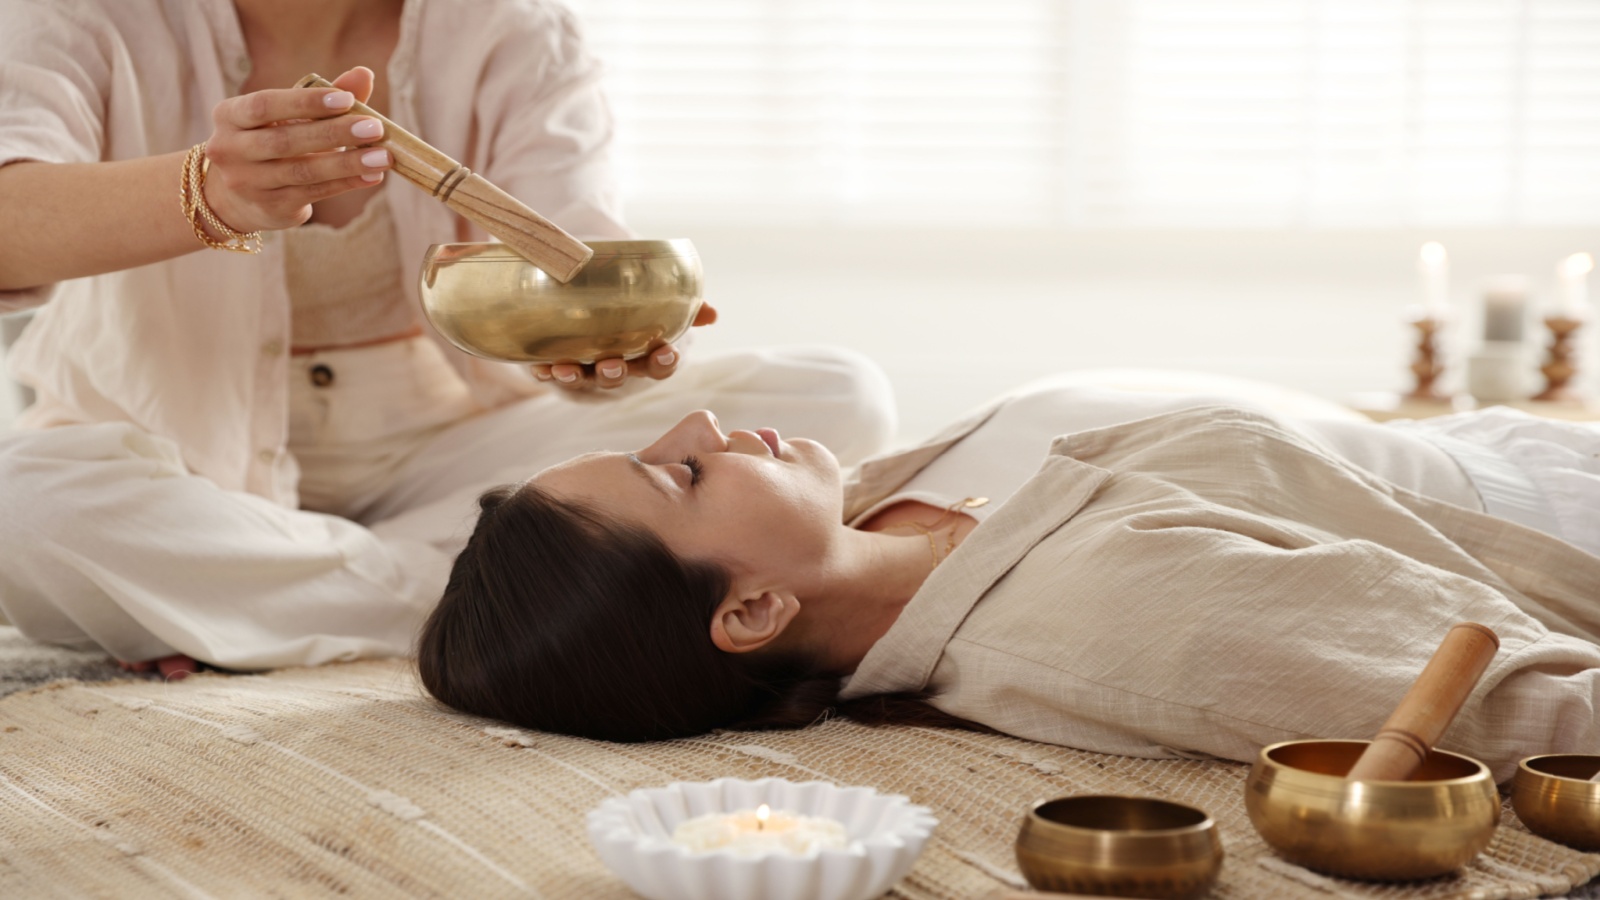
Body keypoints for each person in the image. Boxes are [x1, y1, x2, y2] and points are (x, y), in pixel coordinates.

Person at [0, 0, 895, 677]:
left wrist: (598, 359)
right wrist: (212, 192)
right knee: (25, 504)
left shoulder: (508, 26)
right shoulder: (79, 13)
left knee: (833, 395)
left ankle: (257, 600)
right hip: (173, 451)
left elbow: (570, 258)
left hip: (456, 452)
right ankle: (488, 597)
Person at [417, 379, 1600, 781]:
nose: (703, 419)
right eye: (676, 472)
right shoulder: (1108, 620)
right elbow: (1547, 718)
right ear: (750, 611)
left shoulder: (874, 521)